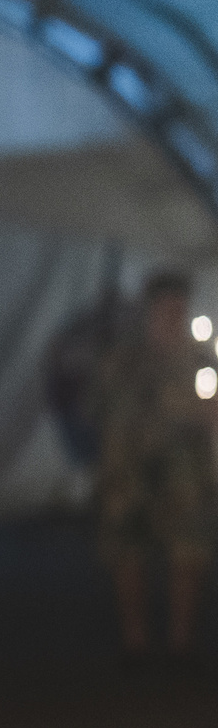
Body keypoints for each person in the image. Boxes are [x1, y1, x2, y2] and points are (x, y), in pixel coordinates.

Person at [93, 270, 216, 662]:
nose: (173, 317)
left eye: (179, 309)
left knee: (189, 552)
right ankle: (136, 642)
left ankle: (181, 643)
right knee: (128, 553)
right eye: (166, 309)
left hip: (186, 476)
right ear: (149, 310)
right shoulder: (122, 357)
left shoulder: (200, 359)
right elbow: (98, 409)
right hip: (128, 474)